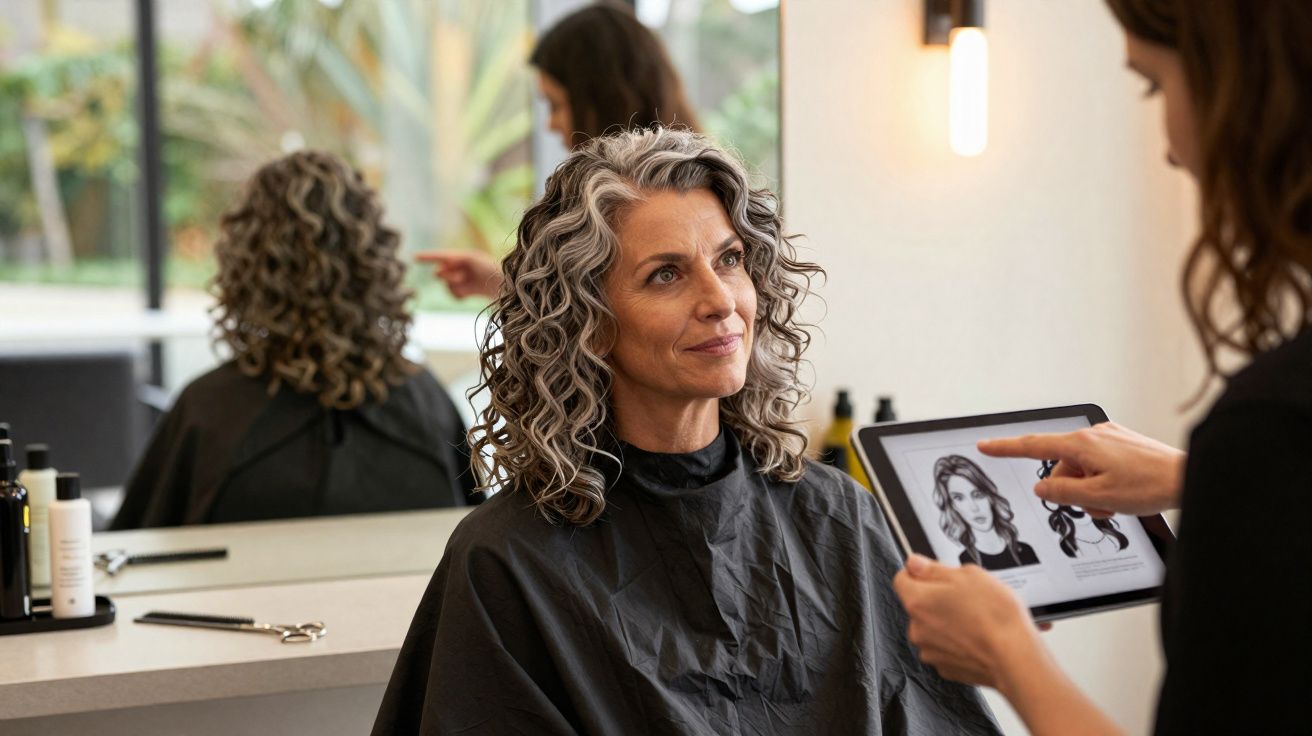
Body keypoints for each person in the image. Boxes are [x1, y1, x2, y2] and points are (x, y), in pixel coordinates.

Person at [371, 128, 1001, 735]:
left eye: (729, 260)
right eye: (665, 274)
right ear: (589, 321)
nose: (720, 300)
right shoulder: (508, 560)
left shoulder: (840, 519)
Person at [893, 1, 1311, 734]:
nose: (1172, 149)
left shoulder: (1273, 427)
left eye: (1155, 86)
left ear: (1243, 90)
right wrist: (1199, 479)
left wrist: (1007, 654)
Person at [111, 151, 478, 529]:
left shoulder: (210, 412)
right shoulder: (425, 402)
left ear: (248, 264)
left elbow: (132, 550)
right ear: (373, 261)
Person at [421, 1, 702, 301]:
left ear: (601, 101)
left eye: (556, 105)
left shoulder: (658, 208)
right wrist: (495, 281)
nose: (551, 125)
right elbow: (586, 310)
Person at [932, 454, 1040, 571]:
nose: (974, 508)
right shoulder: (965, 562)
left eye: (978, 495)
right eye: (959, 498)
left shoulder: (1025, 551)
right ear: (953, 505)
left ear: (990, 497)